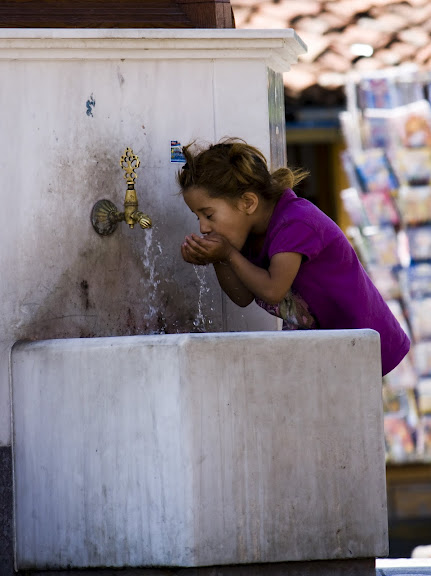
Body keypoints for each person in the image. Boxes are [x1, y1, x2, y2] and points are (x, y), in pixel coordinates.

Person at [178, 138, 410, 377]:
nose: (203, 227)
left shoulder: (295, 222)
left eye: (208, 215)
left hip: (364, 340)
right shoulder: (249, 233)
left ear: (248, 202)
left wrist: (227, 253)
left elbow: (272, 290)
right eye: (198, 218)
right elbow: (242, 296)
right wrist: (218, 258)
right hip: (327, 348)